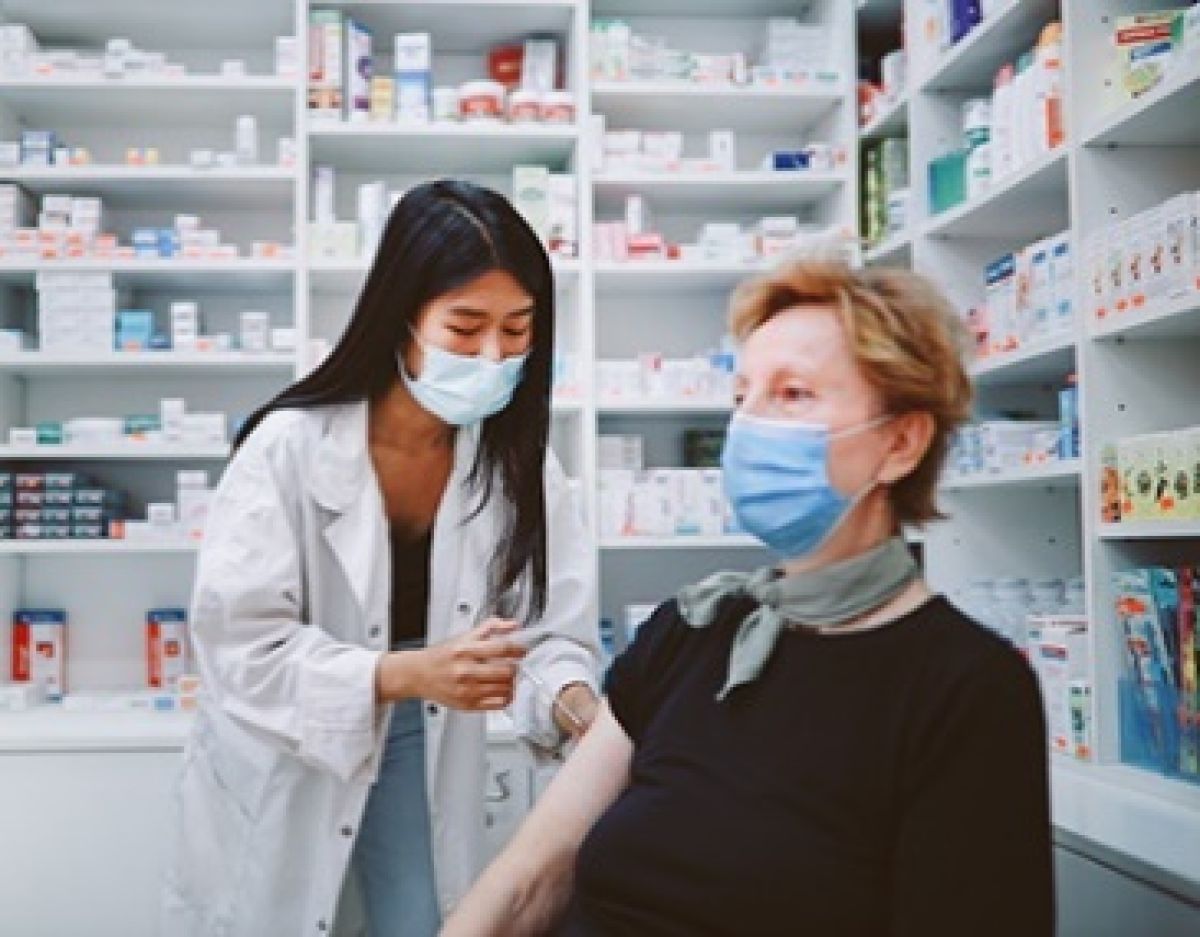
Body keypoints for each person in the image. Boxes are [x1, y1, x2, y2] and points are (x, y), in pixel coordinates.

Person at [443, 260, 1056, 937]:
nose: (751, 426)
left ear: (902, 440)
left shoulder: (965, 686)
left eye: (792, 394)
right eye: (742, 395)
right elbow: (531, 876)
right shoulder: (692, 629)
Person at [161, 180, 601, 937]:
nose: (494, 354)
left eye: (517, 328)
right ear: (402, 320)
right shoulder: (288, 450)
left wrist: (577, 708)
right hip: (289, 752)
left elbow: (545, 637)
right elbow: (241, 647)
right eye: (465, 328)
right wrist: (402, 673)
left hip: (427, 741)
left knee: (423, 919)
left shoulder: (520, 465)